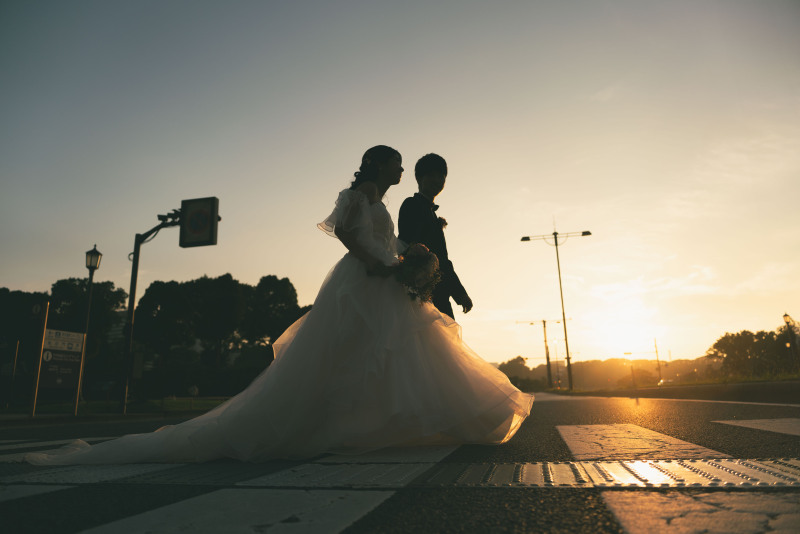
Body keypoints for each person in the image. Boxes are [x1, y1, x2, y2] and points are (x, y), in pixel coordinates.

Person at [26, 146, 533, 465]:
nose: (401, 169)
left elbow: (385, 241)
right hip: (362, 282)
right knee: (353, 354)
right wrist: (382, 265)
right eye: (397, 163)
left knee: (393, 354)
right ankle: (341, 424)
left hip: (384, 279)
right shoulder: (360, 194)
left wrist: (407, 255)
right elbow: (347, 236)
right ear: (379, 164)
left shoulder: (380, 202)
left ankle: (388, 421)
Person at [398, 153, 472, 319]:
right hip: (420, 292)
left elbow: (443, 260)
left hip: (440, 291)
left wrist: (460, 293)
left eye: (441, 176)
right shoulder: (411, 204)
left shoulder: (432, 213)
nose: (437, 180)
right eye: (431, 175)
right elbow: (406, 245)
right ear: (419, 178)